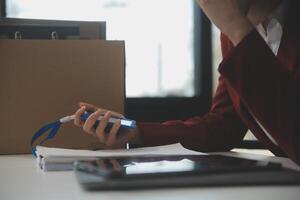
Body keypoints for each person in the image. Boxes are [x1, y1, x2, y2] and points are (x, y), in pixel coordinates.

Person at [74, 0, 300, 165]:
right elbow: (222, 128)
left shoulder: (239, 31)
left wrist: (236, 27)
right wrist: (135, 132)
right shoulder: (239, 34)